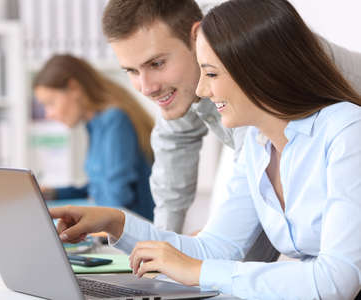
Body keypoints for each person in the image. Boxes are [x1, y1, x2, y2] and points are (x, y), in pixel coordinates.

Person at [49, 0, 361, 298]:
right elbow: (217, 249)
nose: (201, 90)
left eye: (211, 73)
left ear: (258, 69)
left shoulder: (346, 131)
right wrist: (116, 222)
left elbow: (335, 281)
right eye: (131, 71)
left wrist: (198, 271)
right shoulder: (256, 144)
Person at [101, 0, 361, 234]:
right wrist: (161, 247)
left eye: (156, 64)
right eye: (131, 71)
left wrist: (195, 260)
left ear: (195, 36)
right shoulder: (188, 57)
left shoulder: (247, 51)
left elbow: (255, 215)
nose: (146, 88)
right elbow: (174, 144)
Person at [33, 54, 155, 221]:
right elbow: (98, 188)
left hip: (126, 239)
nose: (49, 114)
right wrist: (52, 194)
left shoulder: (115, 121)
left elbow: (116, 200)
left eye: (51, 103)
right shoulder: (95, 124)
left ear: (73, 88)